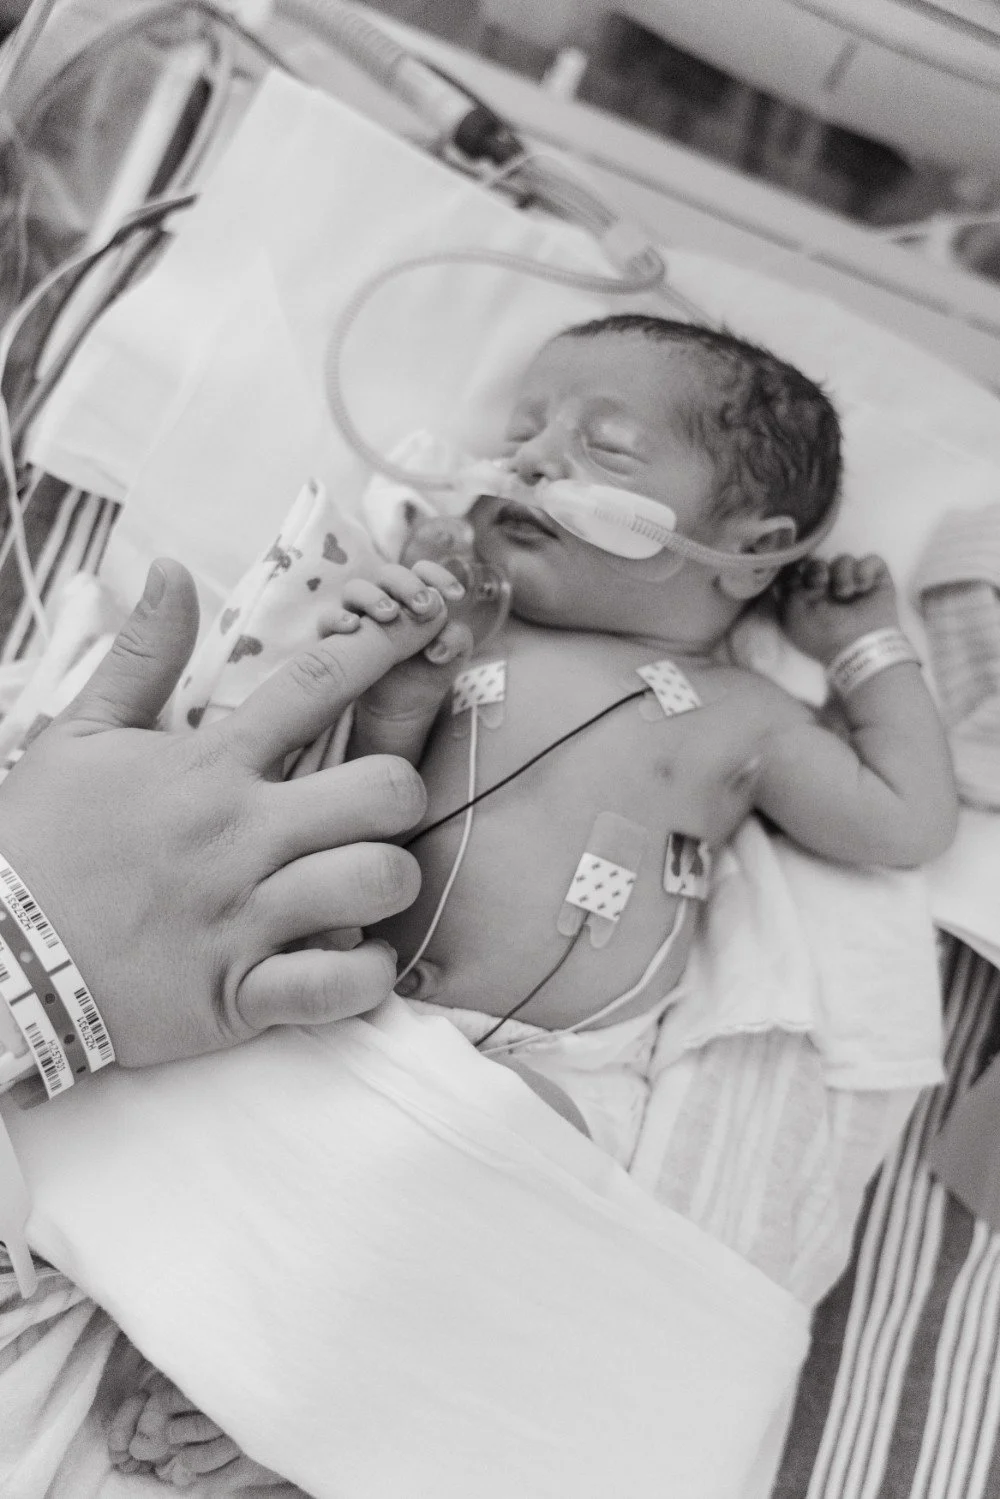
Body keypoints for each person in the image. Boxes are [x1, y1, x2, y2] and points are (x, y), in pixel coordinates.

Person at [106, 315, 959, 1489]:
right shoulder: (466, 632)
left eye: (604, 447)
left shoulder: (748, 717)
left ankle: (299, 1390)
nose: (532, 458)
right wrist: (398, 675)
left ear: (746, 551)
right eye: (523, 429)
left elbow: (907, 821)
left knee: (488, 1193)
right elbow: (359, 782)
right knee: (208, 1117)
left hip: (551, 1066)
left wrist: (865, 646)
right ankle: (215, 1329)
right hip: (342, 996)